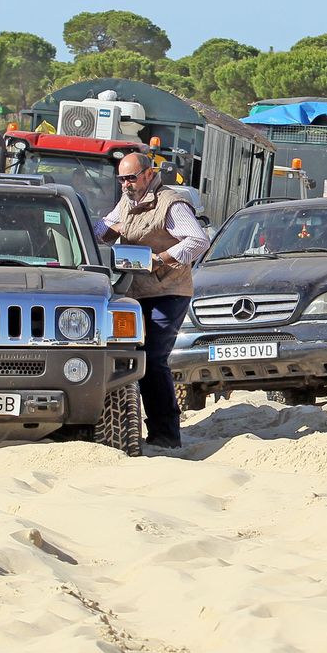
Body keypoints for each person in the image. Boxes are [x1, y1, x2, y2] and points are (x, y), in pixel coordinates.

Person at [96, 152, 210, 449]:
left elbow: (197, 240)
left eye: (131, 177)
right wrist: (102, 230)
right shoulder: (128, 201)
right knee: (135, 359)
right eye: (121, 178)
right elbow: (102, 230)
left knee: (153, 359)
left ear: (149, 174)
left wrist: (162, 259)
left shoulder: (171, 203)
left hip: (167, 292)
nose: (125, 184)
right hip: (135, 292)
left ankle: (166, 433)